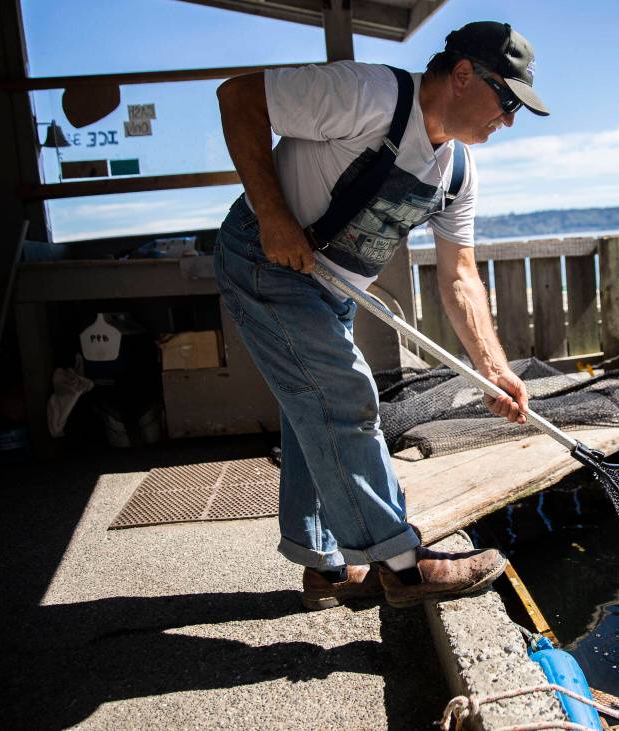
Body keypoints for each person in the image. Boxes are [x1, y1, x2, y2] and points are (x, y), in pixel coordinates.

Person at [213, 22, 549, 610]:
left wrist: (493, 369)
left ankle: (323, 565)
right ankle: (402, 564)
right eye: (508, 100)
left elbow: (461, 276)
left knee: (309, 407)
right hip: (266, 260)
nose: (511, 120)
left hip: (332, 287)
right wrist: (273, 215)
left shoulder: (458, 174)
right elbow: (238, 96)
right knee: (344, 397)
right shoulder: (368, 95)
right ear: (465, 75)